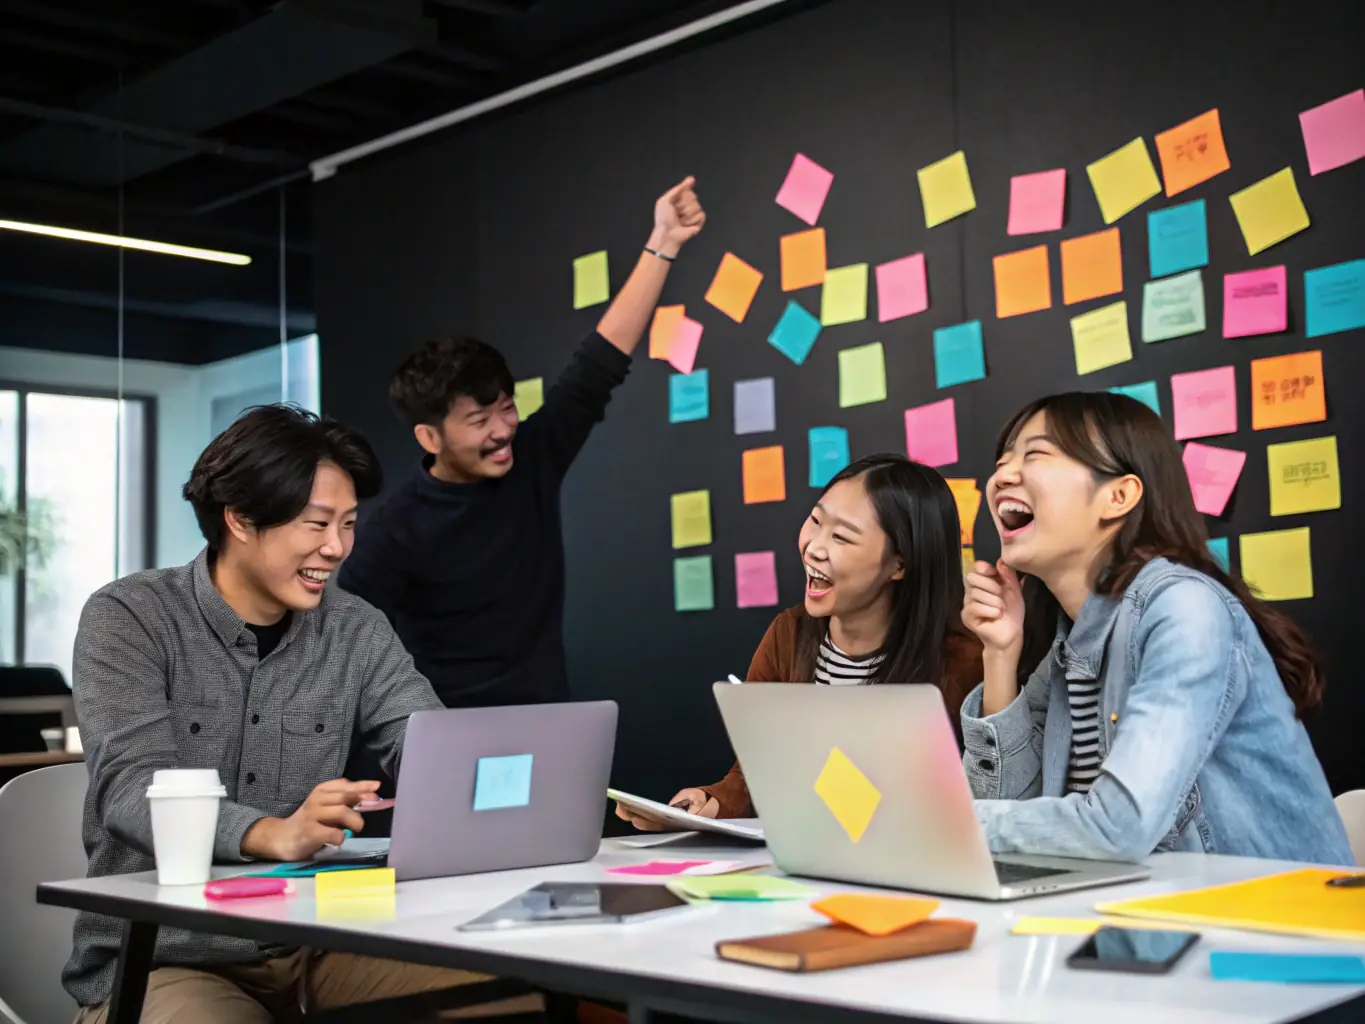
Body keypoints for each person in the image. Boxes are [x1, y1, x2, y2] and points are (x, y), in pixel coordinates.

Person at [66, 405, 539, 1023]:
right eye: (316, 524)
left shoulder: (356, 628)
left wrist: (497, 788)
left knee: (514, 997)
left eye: (348, 523)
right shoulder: (130, 618)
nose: (337, 548)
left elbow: (428, 743)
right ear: (239, 518)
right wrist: (271, 832)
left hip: (322, 937)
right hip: (170, 958)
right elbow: (131, 789)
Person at [337, 178, 706, 710]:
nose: (503, 430)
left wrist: (663, 242)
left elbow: (598, 365)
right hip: (444, 733)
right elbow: (344, 641)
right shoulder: (397, 530)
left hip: (547, 718)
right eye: (479, 419)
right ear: (429, 436)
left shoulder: (532, 459)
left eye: (507, 407)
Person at [960, 391, 1352, 865]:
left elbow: (1117, 828)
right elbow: (1012, 817)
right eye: (1002, 460)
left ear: (1118, 496)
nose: (1001, 475)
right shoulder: (1071, 645)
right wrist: (1000, 655)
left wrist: (944, 826)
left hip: (1268, 925)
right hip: (1147, 920)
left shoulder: (1184, 609)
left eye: (1036, 454)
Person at [616, 455, 984, 829]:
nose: (814, 547)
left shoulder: (963, 660)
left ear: (900, 564)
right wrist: (706, 804)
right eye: (815, 521)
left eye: (841, 537)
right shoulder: (788, 634)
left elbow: (971, 801)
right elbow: (759, 768)